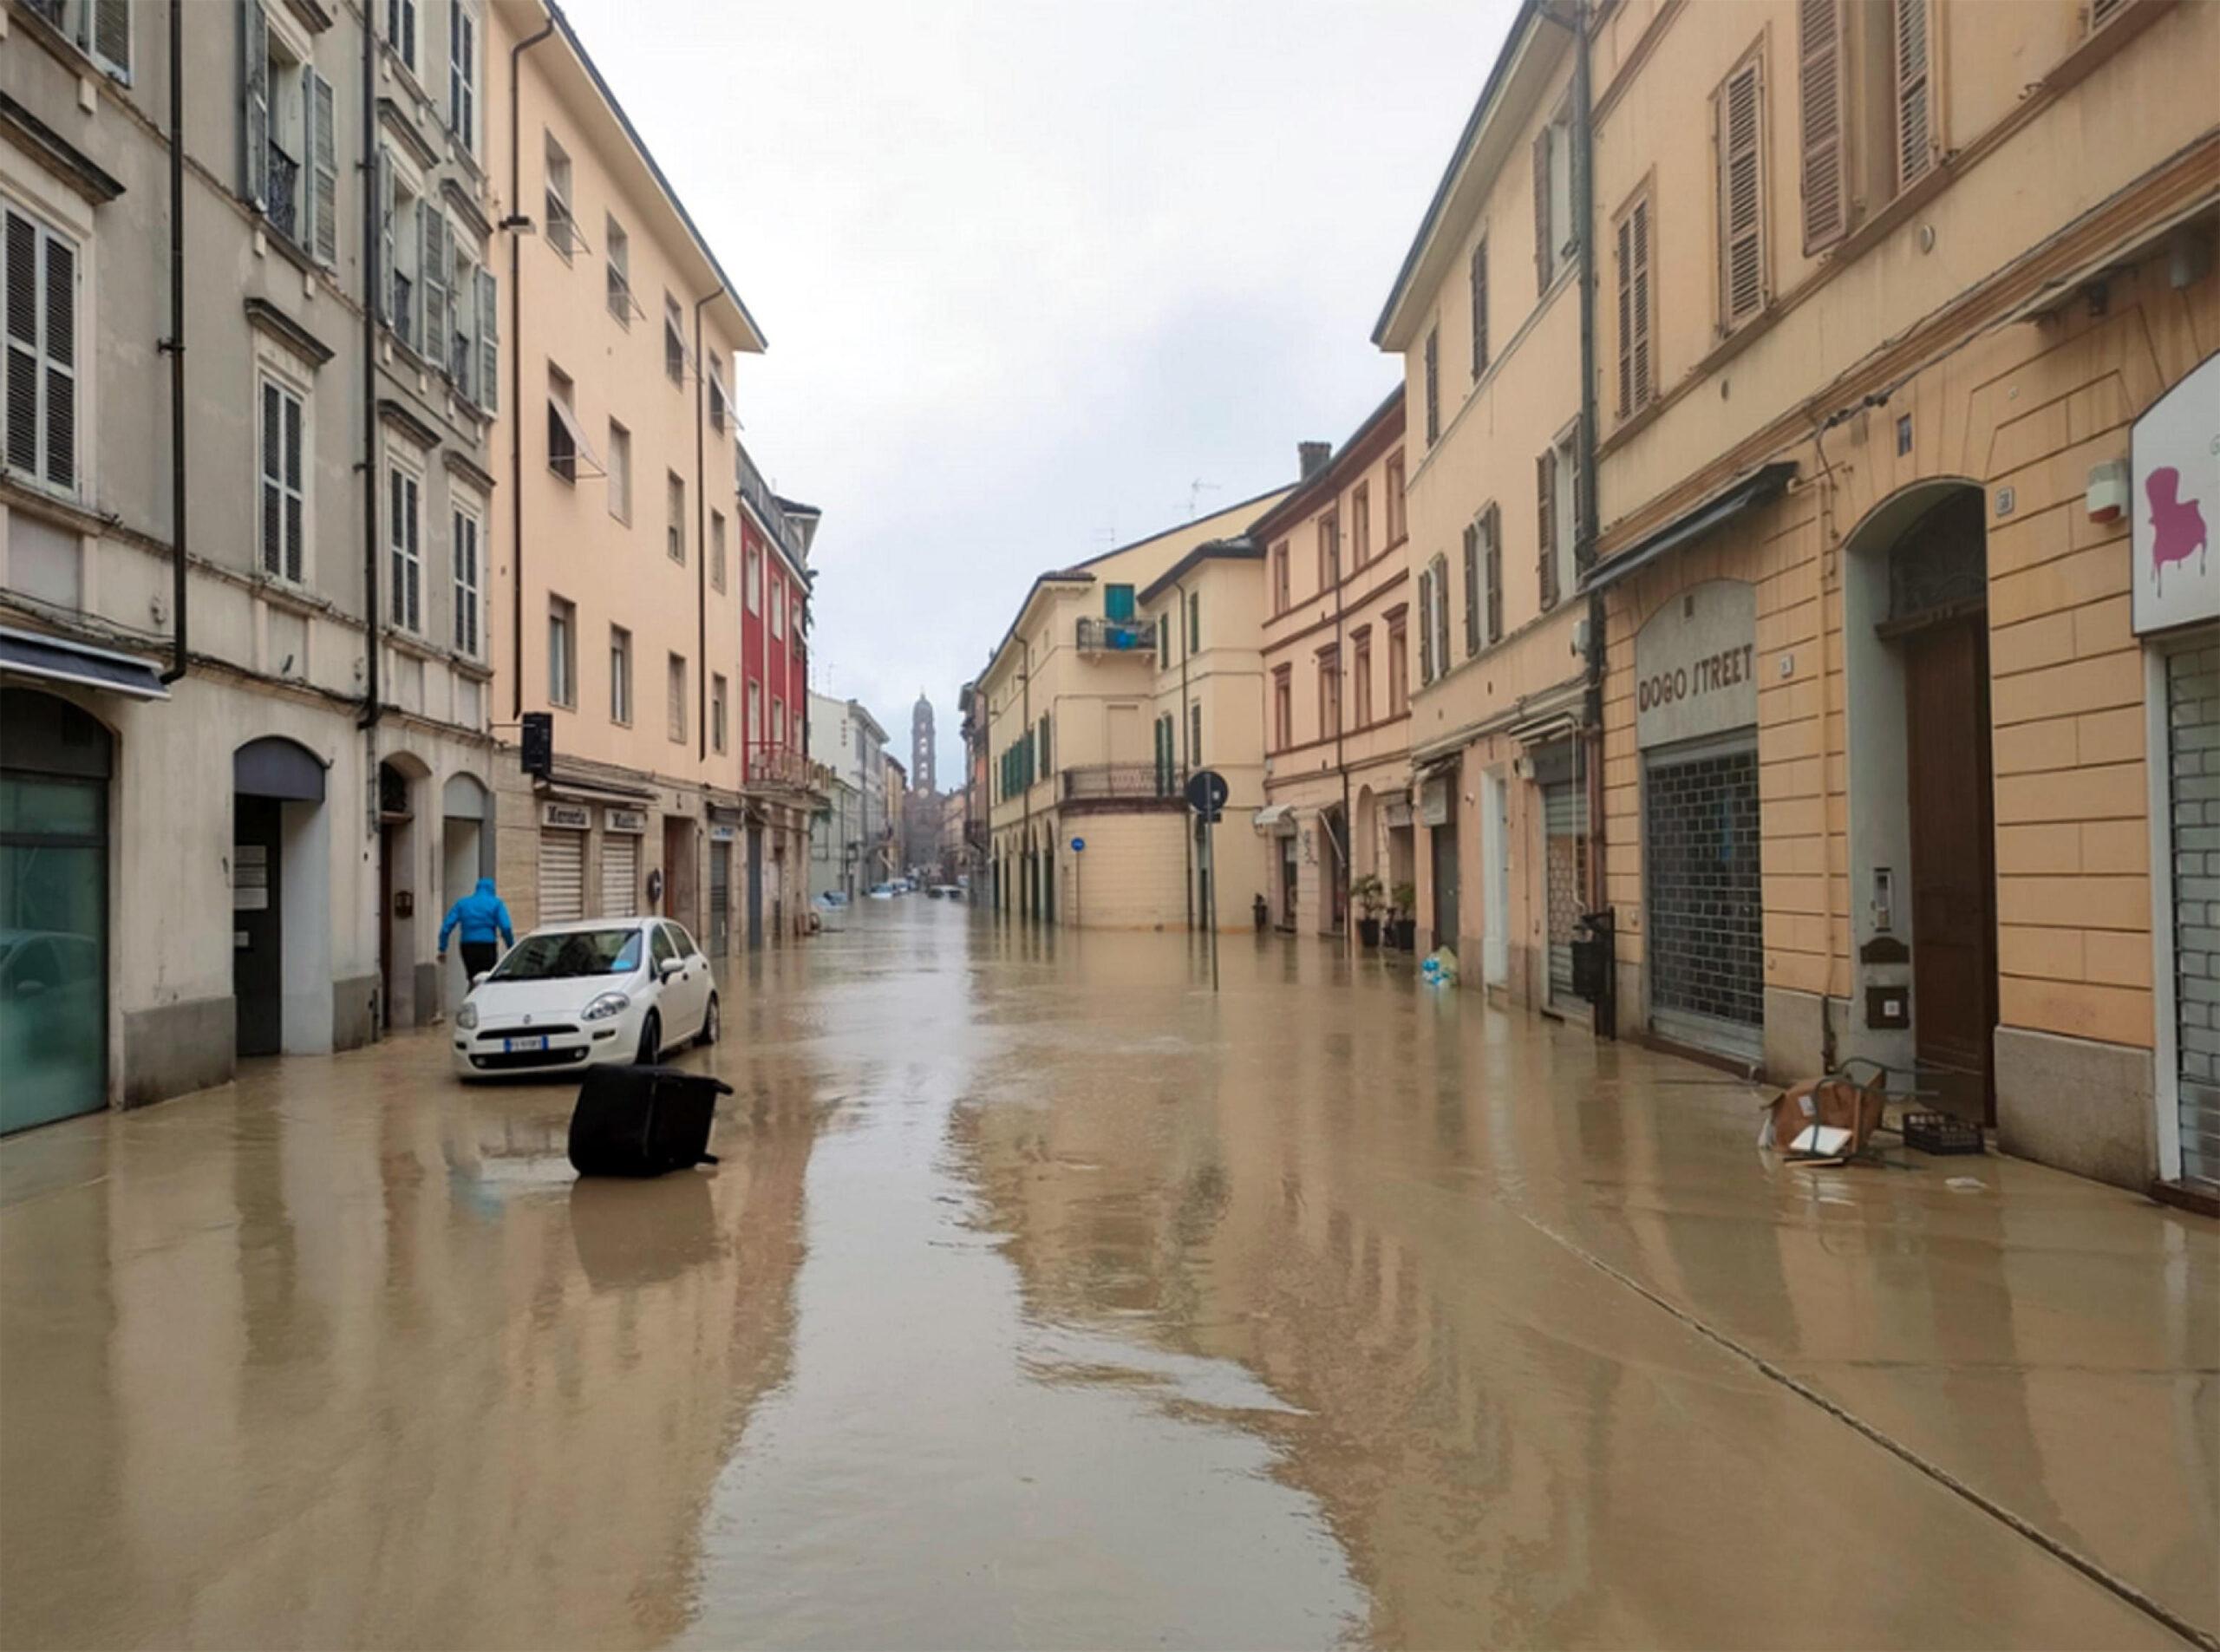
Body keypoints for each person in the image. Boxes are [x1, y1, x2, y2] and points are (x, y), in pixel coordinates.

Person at [438, 877, 514, 979]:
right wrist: (510, 946)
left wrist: (442, 948)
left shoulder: (462, 904)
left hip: (467, 945)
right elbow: (506, 927)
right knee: (487, 977)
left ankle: (472, 991)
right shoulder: (496, 903)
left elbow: (446, 927)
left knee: (473, 977)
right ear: (492, 889)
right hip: (487, 945)